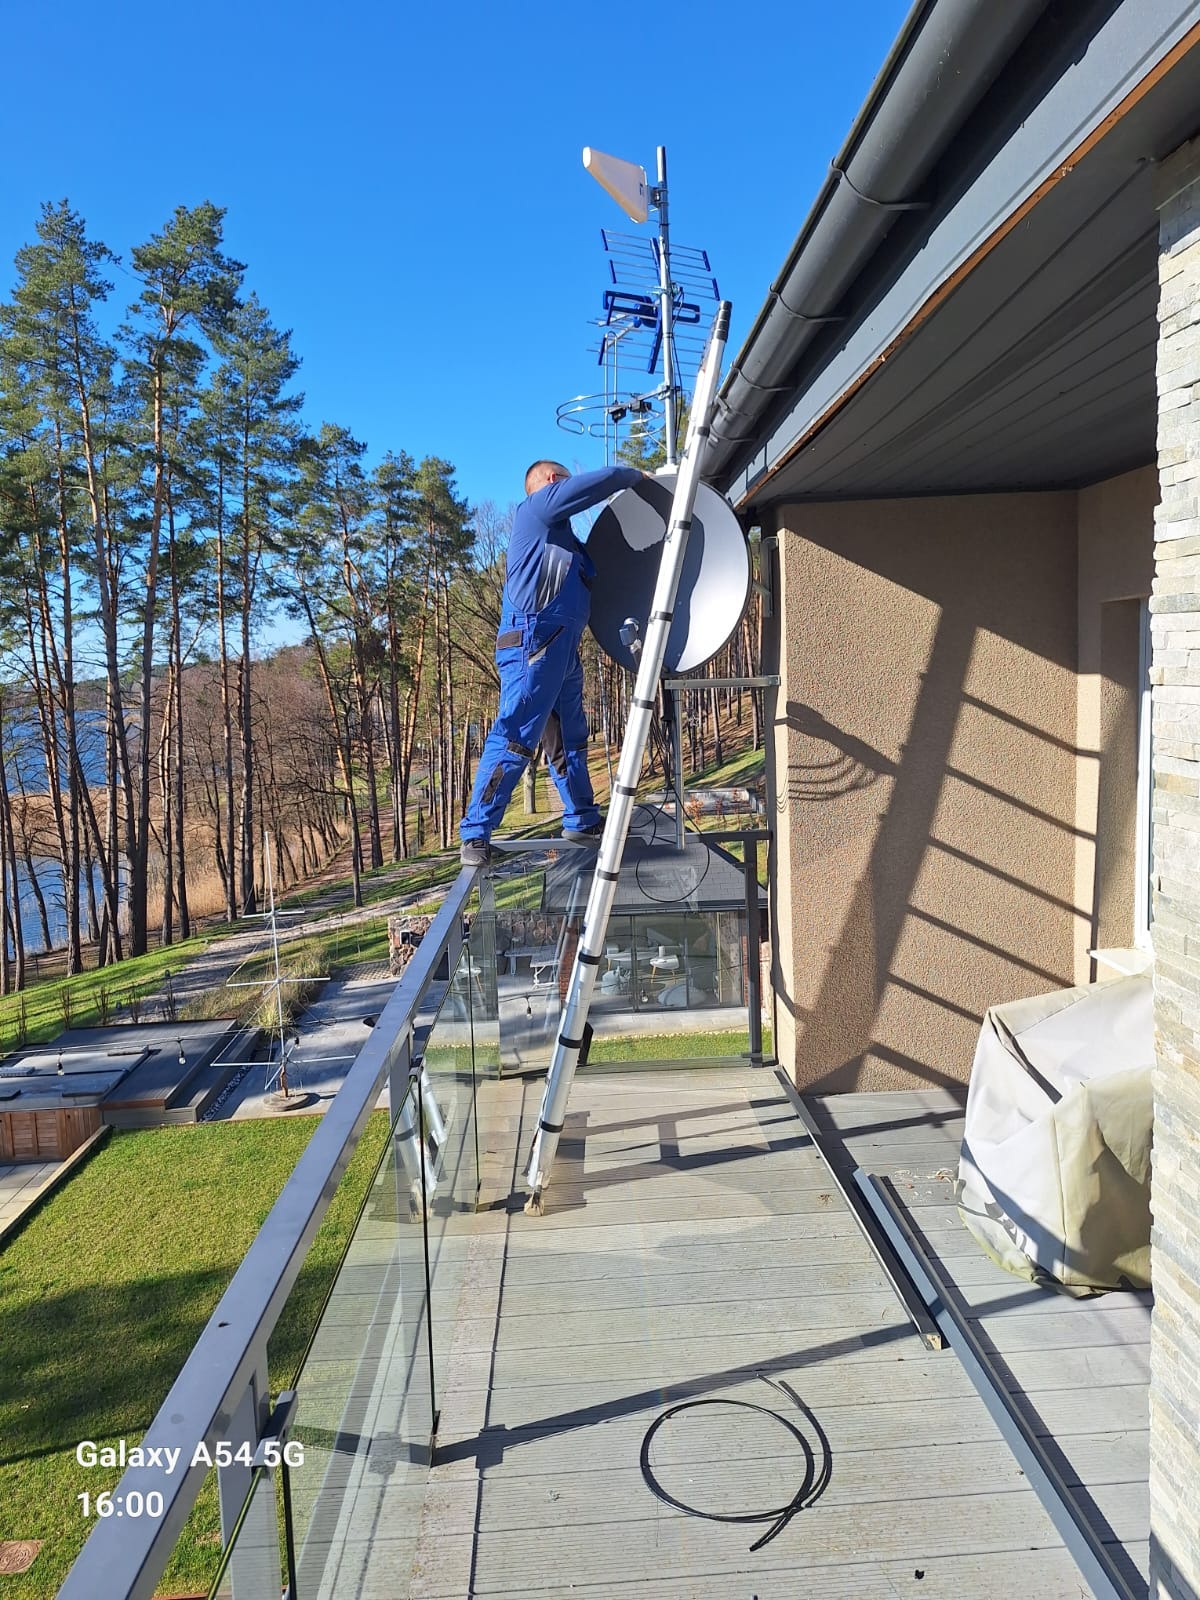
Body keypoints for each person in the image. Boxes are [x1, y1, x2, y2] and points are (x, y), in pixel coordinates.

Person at [459, 458, 647, 866]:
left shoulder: (567, 544)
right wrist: (634, 476)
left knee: (568, 739)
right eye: (563, 480)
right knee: (515, 733)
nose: (567, 487)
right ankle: (476, 833)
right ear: (549, 482)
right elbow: (599, 483)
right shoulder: (536, 510)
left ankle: (581, 817)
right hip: (533, 643)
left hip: (561, 647)